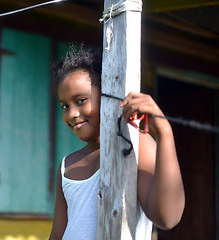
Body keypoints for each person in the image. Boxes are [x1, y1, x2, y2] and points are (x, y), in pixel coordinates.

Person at [48, 48, 185, 240]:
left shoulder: (134, 145)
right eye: (65, 106)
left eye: (81, 100)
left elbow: (167, 217)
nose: (71, 114)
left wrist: (164, 132)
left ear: (107, 95)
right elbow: (57, 235)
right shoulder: (67, 166)